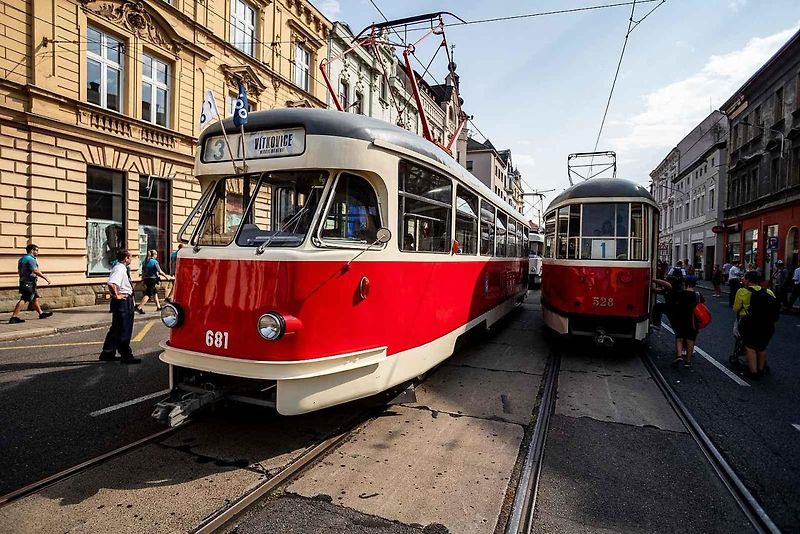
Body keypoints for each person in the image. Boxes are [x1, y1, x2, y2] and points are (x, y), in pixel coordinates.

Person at [733, 271, 778, 378]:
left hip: (749, 322)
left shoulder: (742, 291)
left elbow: (736, 309)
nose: (743, 280)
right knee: (762, 346)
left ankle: (753, 371)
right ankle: (761, 369)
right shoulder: (768, 291)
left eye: (744, 278)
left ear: (748, 280)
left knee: (750, 346)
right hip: (767, 323)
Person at [100, 249, 140, 364]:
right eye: (130, 257)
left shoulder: (120, 268)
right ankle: (126, 355)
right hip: (123, 302)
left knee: (116, 328)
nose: (131, 259)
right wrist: (116, 295)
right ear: (126, 258)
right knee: (124, 328)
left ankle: (107, 353)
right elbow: (111, 283)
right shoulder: (119, 269)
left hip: (124, 300)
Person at [9, 244, 53, 324]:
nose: (37, 252)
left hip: (25, 281)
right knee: (24, 299)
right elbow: (35, 270)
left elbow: (19, 272)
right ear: (32, 250)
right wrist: (46, 277)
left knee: (35, 298)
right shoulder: (30, 259)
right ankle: (14, 317)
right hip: (29, 283)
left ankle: (41, 314)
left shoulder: (21, 259)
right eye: (36, 250)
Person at [668, 275, 704, 369]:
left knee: (679, 337)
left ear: (685, 283)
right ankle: (688, 361)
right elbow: (702, 306)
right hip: (692, 320)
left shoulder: (680, 294)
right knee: (690, 339)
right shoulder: (697, 295)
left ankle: (679, 355)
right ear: (695, 285)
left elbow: (675, 304)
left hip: (680, 318)